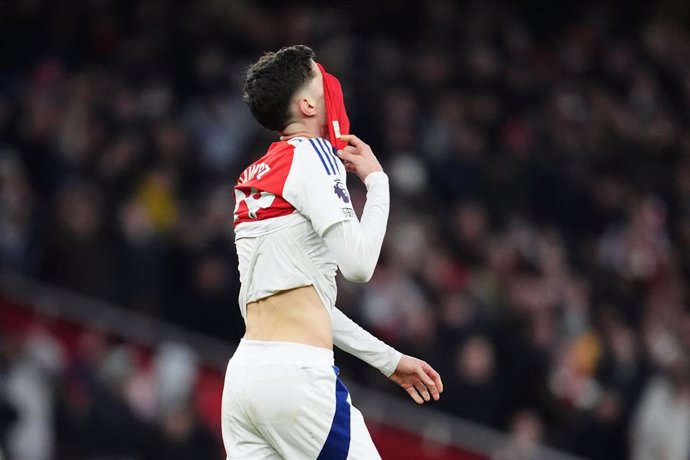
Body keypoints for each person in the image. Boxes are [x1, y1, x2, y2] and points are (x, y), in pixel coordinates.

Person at [221, 45, 443, 459]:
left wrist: (388, 360)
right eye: (319, 78)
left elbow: (306, 301)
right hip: (297, 380)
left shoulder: (254, 177)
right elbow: (358, 266)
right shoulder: (313, 156)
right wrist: (378, 182)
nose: (330, 85)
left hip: (244, 380)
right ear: (307, 104)